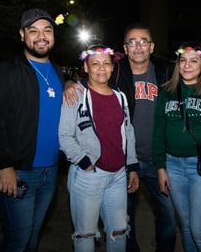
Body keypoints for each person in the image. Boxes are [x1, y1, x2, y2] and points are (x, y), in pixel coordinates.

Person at [65, 22, 201, 252]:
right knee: (123, 221)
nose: (138, 46)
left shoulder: (165, 70)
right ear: (125, 47)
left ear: (151, 47)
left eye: (143, 41)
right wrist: (70, 84)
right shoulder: (115, 70)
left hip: (158, 160)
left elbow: (195, 68)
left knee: (169, 220)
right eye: (132, 41)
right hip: (125, 162)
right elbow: (93, 76)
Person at [0, 8, 65, 252]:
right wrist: (5, 165)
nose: (41, 36)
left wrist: (70, 84)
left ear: (53, 36)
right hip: (18, 171)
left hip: (50, 173)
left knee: (33, 235)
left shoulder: (59, 73)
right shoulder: (4, 73)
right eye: (33, 30)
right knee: (17, 240)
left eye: (47, 30)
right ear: (22, 35)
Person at [152, 41, 201, 252]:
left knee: (200, 230)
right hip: (173, 166)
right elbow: (159, 131)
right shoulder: (166, 92)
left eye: (193, 61)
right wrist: (160, 167)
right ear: (177, 64)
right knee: (186, 227)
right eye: (183, 60)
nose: (187, 65)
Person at [58, 45, 140, 252]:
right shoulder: (76, 94)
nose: (101, 68)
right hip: (89, 175)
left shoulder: (120, 96)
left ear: (112, 67)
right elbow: (64, 136)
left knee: (119, 231)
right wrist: (85, 163)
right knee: (85, 234)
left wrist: (132, 166)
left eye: (106, 63)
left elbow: (128, 131)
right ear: (86, 67)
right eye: (95, 64)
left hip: (119, 175)